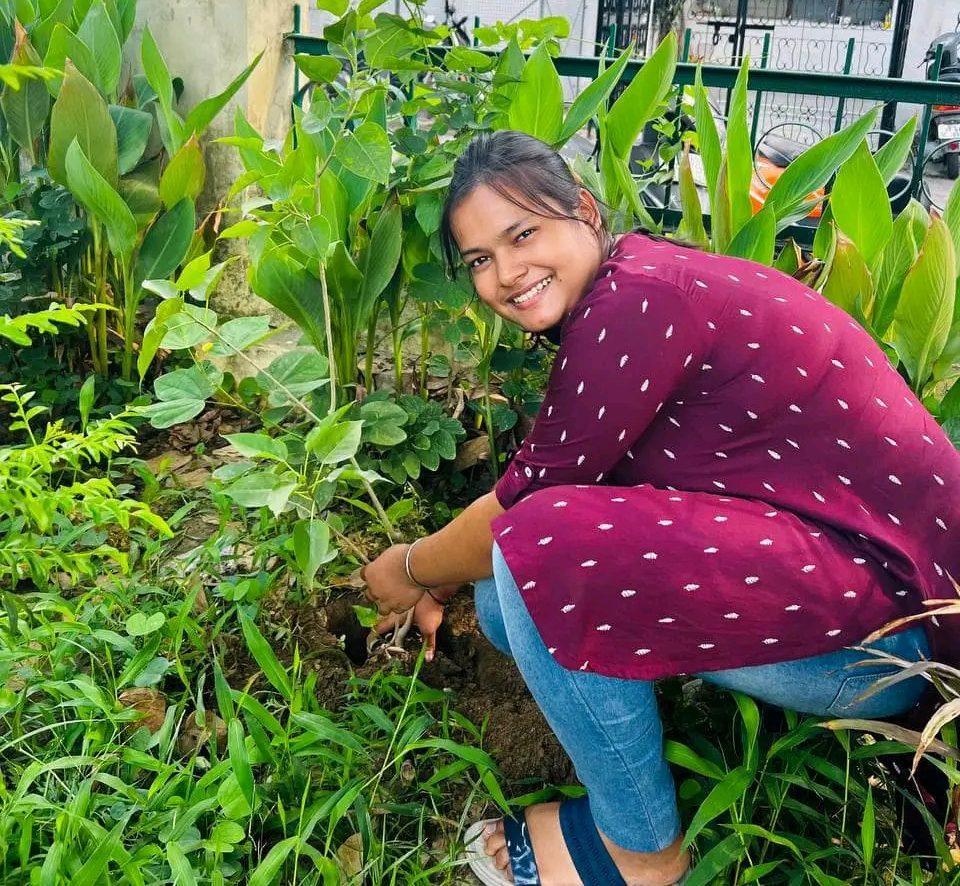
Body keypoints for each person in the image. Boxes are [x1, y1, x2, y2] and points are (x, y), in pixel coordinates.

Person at [360, 130, 959, 886]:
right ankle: (637, 730)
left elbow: (521, 510)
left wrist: (408, 568)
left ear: (582, 209)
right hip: (868, 599)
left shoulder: (638, 306)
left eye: (523, 235)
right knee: (505, 603)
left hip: (884, 652)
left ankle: (638, 853)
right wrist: (444, 574)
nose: (507, 274)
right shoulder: (644, 280)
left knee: (542, 546)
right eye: (480, 260)